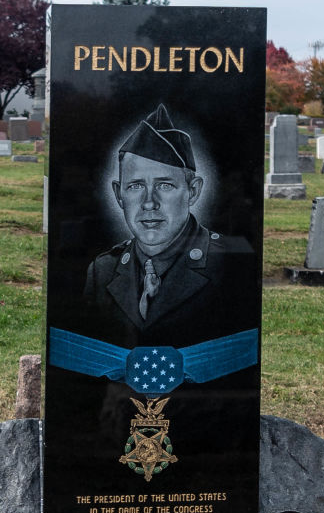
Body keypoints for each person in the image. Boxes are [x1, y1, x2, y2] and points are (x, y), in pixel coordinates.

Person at [82, 104, 253, 345]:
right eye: (136, 186)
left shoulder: (231, 265)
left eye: (164, 186)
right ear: (119, 195)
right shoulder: (103, 271)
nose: (149, 203)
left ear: (193, 191)